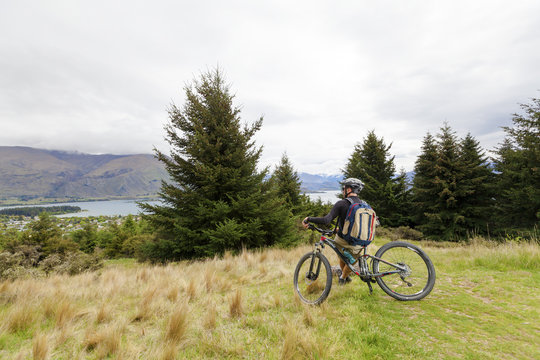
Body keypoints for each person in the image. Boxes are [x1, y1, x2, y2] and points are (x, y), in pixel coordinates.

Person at [302, 178, 370, 285]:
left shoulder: (341, 204)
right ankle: (345, 276)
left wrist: (309, 219)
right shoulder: (364, 204)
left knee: (342, 251)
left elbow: (326, 220)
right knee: (344, 255)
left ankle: (342, 277)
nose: (342, 190)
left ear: (348, 190)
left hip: (345, 240)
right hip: (361, 240)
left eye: (344, 188)